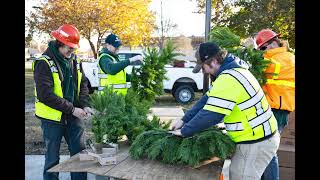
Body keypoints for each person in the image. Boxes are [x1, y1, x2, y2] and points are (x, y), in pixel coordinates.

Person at [170, 42, 280, 180]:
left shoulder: (228, 79)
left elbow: (212, 114)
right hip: (257, 138)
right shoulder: (232, 71)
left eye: (203, 67)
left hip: (256, 142)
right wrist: (184, 120)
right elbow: (205, 100)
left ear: (214, 61)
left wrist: (185, 131)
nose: (204, 71)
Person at [32, 24, 94, 180]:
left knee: (80, 156)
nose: (72, 51)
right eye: (69, 48)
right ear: (59, 42)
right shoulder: (44, 63)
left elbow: (83, 84)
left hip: (74, 117)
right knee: (52, 160)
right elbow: (45, 95)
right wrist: (72, 109)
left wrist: (85, 104)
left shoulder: (75, 60)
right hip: (53, 120)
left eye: (74, 48)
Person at [254, 29, 295, 180]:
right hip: (274, 109)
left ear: (272, 44)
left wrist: (251, 55)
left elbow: (268, 69)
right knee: (264, 150)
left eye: (263, 48)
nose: (262, 52)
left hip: (277, 110)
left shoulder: (283, 59)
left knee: (268, 151)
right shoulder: (282, 57)